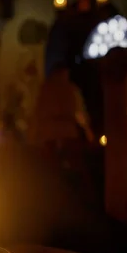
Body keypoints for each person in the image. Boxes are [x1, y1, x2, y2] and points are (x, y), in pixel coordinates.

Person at [28, 61, 95, 191]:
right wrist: (88, 133)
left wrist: (33, 136)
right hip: (63, 132)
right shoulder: (69, 88)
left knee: (52, 169)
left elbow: (36, 114)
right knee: (72, 166)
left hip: (53, 133)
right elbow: (79, 113)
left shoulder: (47, 89)